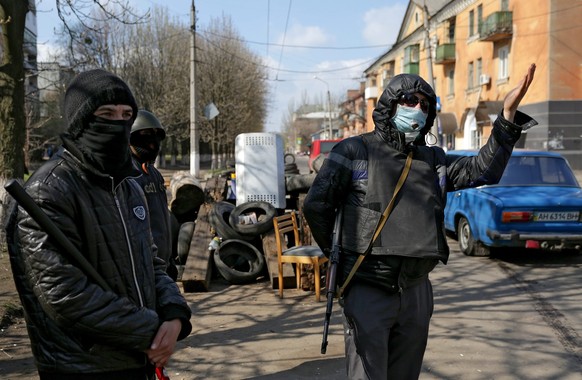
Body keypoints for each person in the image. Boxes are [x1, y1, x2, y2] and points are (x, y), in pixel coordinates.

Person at [303, 63, 537, 380]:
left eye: (424, 105)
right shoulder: (355, 151)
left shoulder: (432, 160)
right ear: (390, 105)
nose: (417, 109)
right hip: (368, 288)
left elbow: (484, 170)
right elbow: (317, 206)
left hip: (415, 291)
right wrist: (341, 261)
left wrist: (507, 116)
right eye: (410, 101)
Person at [5, 69, 192, 379]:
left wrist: (174, 316)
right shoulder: (48, 190)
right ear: (80, 120)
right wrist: (150, 331)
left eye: (126, 115)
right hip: (84, 366)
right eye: (106, 113)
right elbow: (64, 294)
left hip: (138, 359)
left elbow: (152, 263)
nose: (118, 122)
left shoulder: (128, 186)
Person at [130, 110, 178, 281]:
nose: (153, 142)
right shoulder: (128, 176)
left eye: (156, 135)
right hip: (143, 269)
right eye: (145, 135)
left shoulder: (154, 174)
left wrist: (170, 259)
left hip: (162, 264)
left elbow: (162, 217)